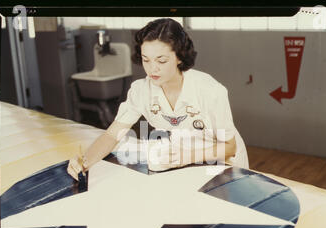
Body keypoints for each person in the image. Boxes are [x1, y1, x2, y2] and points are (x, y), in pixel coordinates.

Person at [67, 18, 249, 180]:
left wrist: (186, 157)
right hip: (184, 158)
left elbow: (229, 146)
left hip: (224, 161)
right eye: (146, 60)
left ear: (179, 57)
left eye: (161, 61)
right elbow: (112, 134)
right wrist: (85, 161)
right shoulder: (141, 91)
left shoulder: (209, 90)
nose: (152, 69)